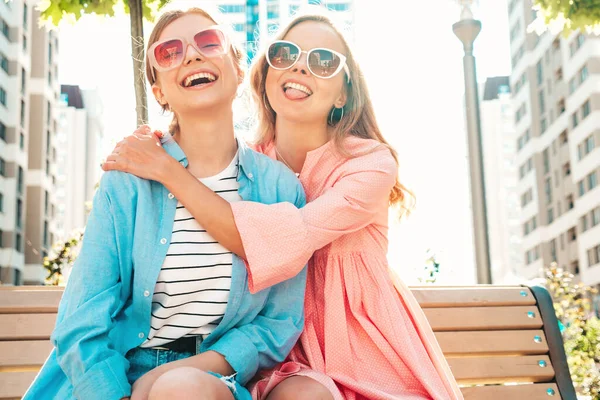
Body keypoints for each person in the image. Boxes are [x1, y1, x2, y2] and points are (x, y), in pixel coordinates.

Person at [102, 10, 463, 400]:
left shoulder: (370, 164)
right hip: (282, 354)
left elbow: (284, 240)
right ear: (265, 74)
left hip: (364, 350)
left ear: (344, 92)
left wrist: (169, 171)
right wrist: (160, 147)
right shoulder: (247, 167)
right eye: (285, 54)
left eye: (323, 62)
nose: (301, 68)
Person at [24, 6, 307, 400]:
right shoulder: (126, 183)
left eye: (209, 42)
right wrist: (118, 394)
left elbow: (278, 322)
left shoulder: (279, 189)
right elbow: (81, 320)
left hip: (213, 380)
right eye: (168, 51)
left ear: (238, 70)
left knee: (184, 390)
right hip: (117, 376)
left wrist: (181, 374)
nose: (191, 55)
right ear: (159, 91)